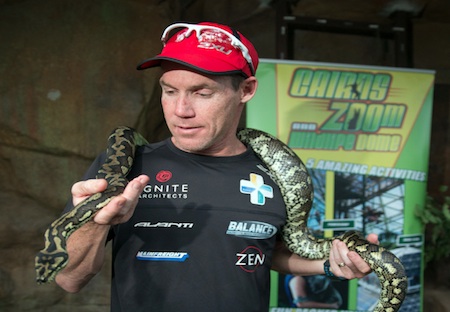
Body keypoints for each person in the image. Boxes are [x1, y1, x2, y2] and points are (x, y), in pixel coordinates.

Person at [55, 21, 378, 311]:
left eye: (202, 92)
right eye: (169, 91)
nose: (181, 110)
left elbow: (268, 250)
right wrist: (92, 224)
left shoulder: (277, 174)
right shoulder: (124, 168)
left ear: (246, 90)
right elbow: (69, 280)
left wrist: (328, 265)